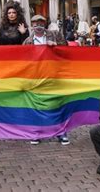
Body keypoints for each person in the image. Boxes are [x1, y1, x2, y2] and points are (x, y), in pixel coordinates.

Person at [23, 14, 67, 145]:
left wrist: (56, 46)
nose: (38, 25)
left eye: (41, 22)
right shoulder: (27, 41)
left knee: (57, 104)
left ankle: (61, 132)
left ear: (45, 23)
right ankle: (36, 133)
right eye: (35, 23)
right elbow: (23, 60)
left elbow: (66, 49)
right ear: (32, 25)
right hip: (35, 78)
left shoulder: (55, 35)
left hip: (53, 76)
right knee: (36, 105)